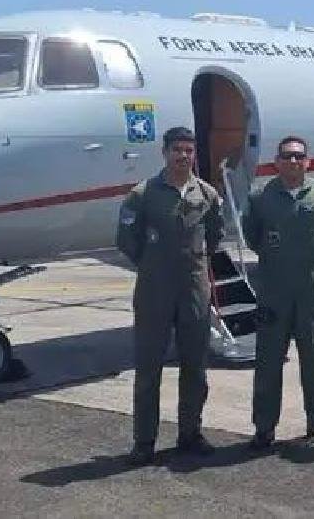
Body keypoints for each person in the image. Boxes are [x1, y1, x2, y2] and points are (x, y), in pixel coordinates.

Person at [117, 126, 225, 467]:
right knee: (149, 368)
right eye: (177, 149)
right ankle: (144, 441)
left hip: (194, 289)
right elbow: (127, 240)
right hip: (154, 290)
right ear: (165, 153)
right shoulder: (143, 194)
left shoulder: (207, 195)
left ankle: (190, 433)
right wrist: (152, 265)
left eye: (189, 150)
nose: (183, 156)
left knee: (195, 366)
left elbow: (215, 235)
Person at [243, 136, 314, 450]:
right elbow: (253, 236)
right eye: (287, 156)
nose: (293, 162)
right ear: (277, 161)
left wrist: (311, 263)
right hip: (273, 291)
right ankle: (263, 428)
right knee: (268, 361)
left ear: (308, 161)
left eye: (299, 156)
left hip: (311, 290)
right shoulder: (261, 198)